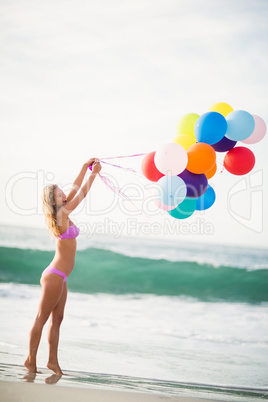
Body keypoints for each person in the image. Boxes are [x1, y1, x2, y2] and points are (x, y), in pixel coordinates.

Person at [24, 158, 102, 375]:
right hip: (54, 275)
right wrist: (94, 174)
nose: (65, 195)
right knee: (42, 317)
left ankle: (52, 362)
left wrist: (83, 168)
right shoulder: (61, 215)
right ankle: (30, 360)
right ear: (54, 202)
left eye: (62, 193)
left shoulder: (63, 211)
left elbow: (75, 188)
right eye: (60, 195)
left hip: (61, 277)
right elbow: (82, 194)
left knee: (57, 319)